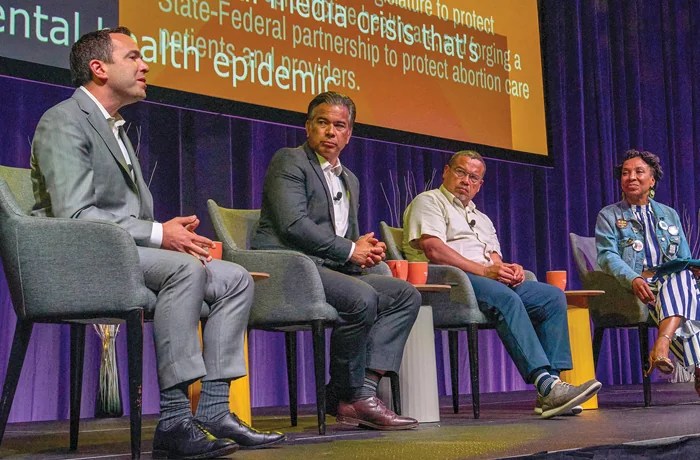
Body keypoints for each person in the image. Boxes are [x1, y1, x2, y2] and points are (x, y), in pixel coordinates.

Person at [30, 27, 285, 459]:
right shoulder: (64, 120)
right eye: (132, 57)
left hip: (122, 254)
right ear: (99, 68)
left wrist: (168, 234)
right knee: (186, 270)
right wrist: (158, 234)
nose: (144, 65)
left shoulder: (116, 129)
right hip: (77, 261)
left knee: (235, 278)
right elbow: (74, 214)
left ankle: (214, 410)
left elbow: (125, 215)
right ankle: (172, 421)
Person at [252, 91, 421, 430]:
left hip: (328, 268)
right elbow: (293, 224)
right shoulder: (290, 161)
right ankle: (350, 395)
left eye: (339, 125)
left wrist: (365, 251)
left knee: (405, 295)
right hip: (290, 267)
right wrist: (348, 250)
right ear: (307, 127)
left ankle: (360, 391)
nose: (330, 131)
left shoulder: (350, 180)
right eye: (322, 123)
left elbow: (348, 238)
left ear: (349, 134)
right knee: (361, 297)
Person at [403, 150, 601, 419]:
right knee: (506, 298)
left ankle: (551, 389)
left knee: (552, 297)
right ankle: (544, 383)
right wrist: (486, 271)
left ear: (480, 184)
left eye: (473, 177)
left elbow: (495, 258)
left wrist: (510, 270)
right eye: (460, 172)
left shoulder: (481, 218)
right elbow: (434, 249)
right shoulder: (429, 201)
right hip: (451, 282)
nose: (466, 181)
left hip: (484, 278)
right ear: (446, 171)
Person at [596, 149, 700, 395]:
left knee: (684, 277)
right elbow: (606, 255)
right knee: (686, 292)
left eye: (639, 172)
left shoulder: (668, 214)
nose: (631, 177)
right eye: (625, 173)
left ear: (652, 180)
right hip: (640, 282)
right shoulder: (609, 215)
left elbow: (683, 258)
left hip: (674, 279)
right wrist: (632, 278)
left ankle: (662, 345)